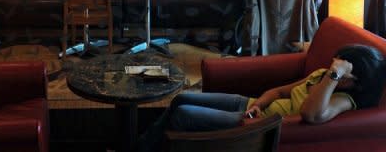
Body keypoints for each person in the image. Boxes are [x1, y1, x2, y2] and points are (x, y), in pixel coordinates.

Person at [138, 44, 385, 152]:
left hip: (257, 127)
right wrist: (257, 104)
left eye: (341, 69)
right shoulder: (322, 75)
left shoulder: (344, 99)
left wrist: (333, 77)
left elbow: (311, 114)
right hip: (251, 108)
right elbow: (278, 92)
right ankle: (145, 144)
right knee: (181, 99)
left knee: (183, 115)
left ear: (357, 81)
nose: (332, 68)